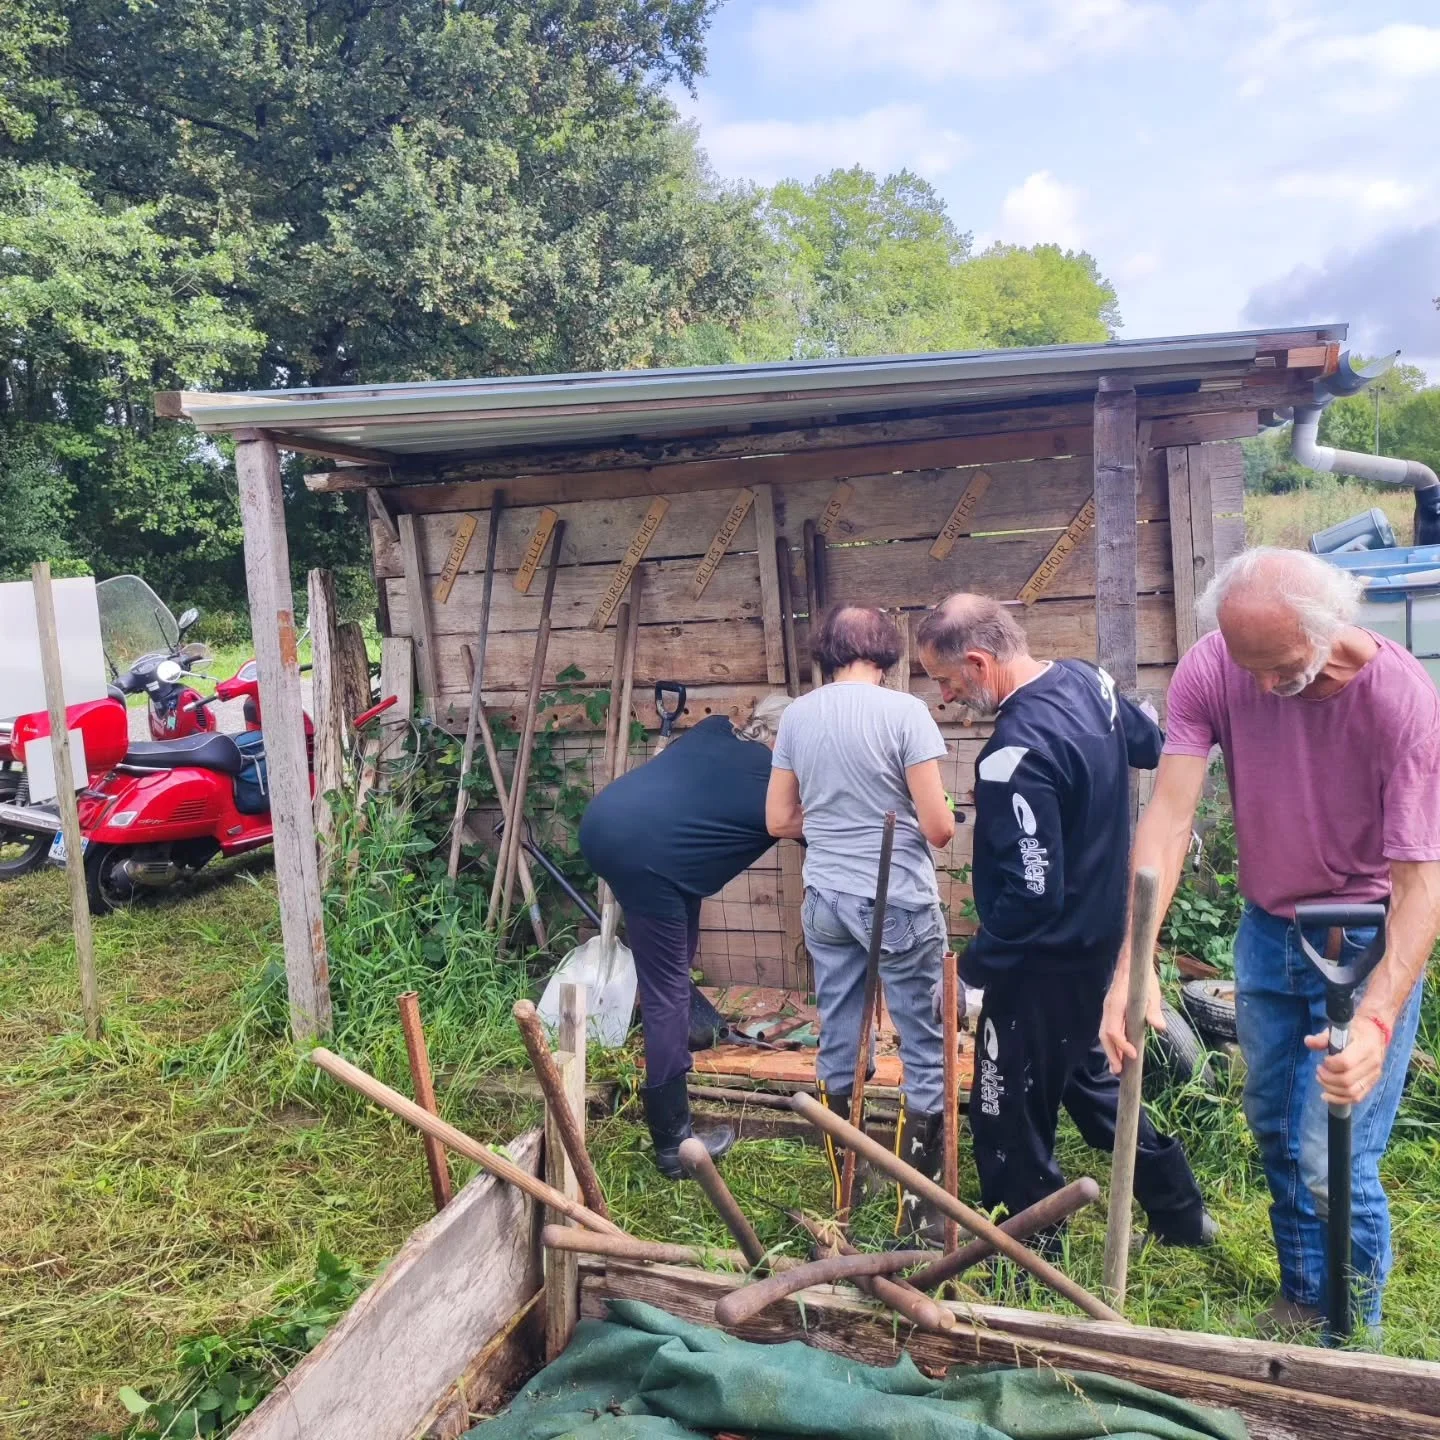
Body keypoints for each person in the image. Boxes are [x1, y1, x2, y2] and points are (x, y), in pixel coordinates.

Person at [1100, 547, 1440, 1334]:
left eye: (1278, 667)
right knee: (1276, 1130)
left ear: (1330, 632)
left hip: (1362, 940)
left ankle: (1354, 1331)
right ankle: (1301, 1292)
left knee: (1333, 1153)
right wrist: (1134, 963)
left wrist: (1380, 1019)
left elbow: (1422, 888)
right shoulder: (1215, 665)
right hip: (1267, 931)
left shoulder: (1401, 702)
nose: (1256, 687)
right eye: (1243, 662)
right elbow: (1170, 817)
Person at [914, 593, 1215, 1251]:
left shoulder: (1013, 754)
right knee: (1091, 1082)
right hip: (1100, 945)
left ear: (978, 661)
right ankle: (1180, 1211)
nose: (945, 698)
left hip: (1041, 964)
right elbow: (1150, 742)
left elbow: (1031, 894)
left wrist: (972, 973)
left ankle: (1026, 1247)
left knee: (1004, 1103)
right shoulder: (1091, 681)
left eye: (945, 680)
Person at [766, 606, 955, 1242]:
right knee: (924, 1047)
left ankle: (848, 1183)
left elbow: (778, 820)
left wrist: (830, 823)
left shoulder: (797, 715)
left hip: (825, 900)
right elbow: (937, 827)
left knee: (840, 1041)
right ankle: (922, 1211)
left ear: (827, 650)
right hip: (896, 900)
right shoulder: (905, 715)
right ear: (888, 653)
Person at [580, 695, 792, 1178]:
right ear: (788, 740)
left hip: (610, 824)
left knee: (673, 964)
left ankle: (685, 1034)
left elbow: (691, 815)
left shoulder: (714, 730)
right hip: (648, 857)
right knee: (666, 992)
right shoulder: (773, 784)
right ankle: (673, 1142)